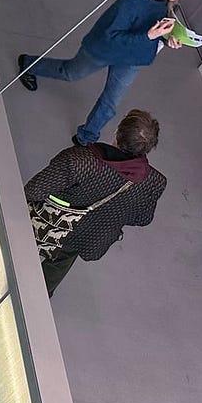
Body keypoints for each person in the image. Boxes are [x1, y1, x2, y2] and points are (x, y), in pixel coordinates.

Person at [19, 0, 194, 144]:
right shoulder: (132, 1)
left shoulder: (166, 2)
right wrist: (148, 36)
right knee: (69, 73)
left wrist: (168, 39)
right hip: (103, 50)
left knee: (111, 103)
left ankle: (86, 137)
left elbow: (155, 30)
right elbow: (111, 37)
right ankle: (29, 64)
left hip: (131, 59)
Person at [24, 109, 167, 295]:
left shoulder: (79, 161)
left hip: (51, 220)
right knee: (60, 261)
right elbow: (143, 219)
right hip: (89, 235)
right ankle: (38, 295)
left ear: (117, 132)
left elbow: (33, 191)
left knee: (25, 244)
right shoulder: (154, 182)